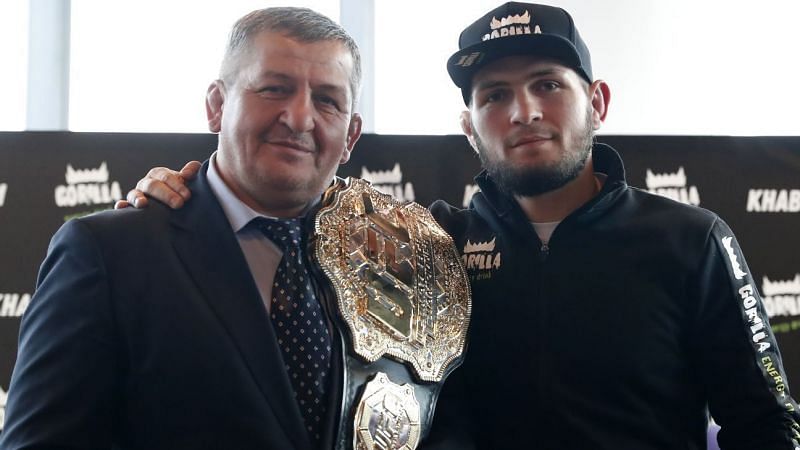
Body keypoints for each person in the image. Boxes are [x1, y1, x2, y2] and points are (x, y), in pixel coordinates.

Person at [121, 2, 800, 449]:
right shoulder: (423, 243)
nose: (523, 110)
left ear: (596, 101)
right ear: (468, 124)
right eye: (494, 95)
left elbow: (766, 424)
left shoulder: (690, 240)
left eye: (547, 84)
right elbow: (281, 197)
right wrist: (178, 190)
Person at [1, 7, 366, 450]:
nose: (299, 117)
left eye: (328, 100)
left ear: (351, 137)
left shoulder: (392, 262)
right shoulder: (109, 254)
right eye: (274, 89)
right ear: (216, 106)